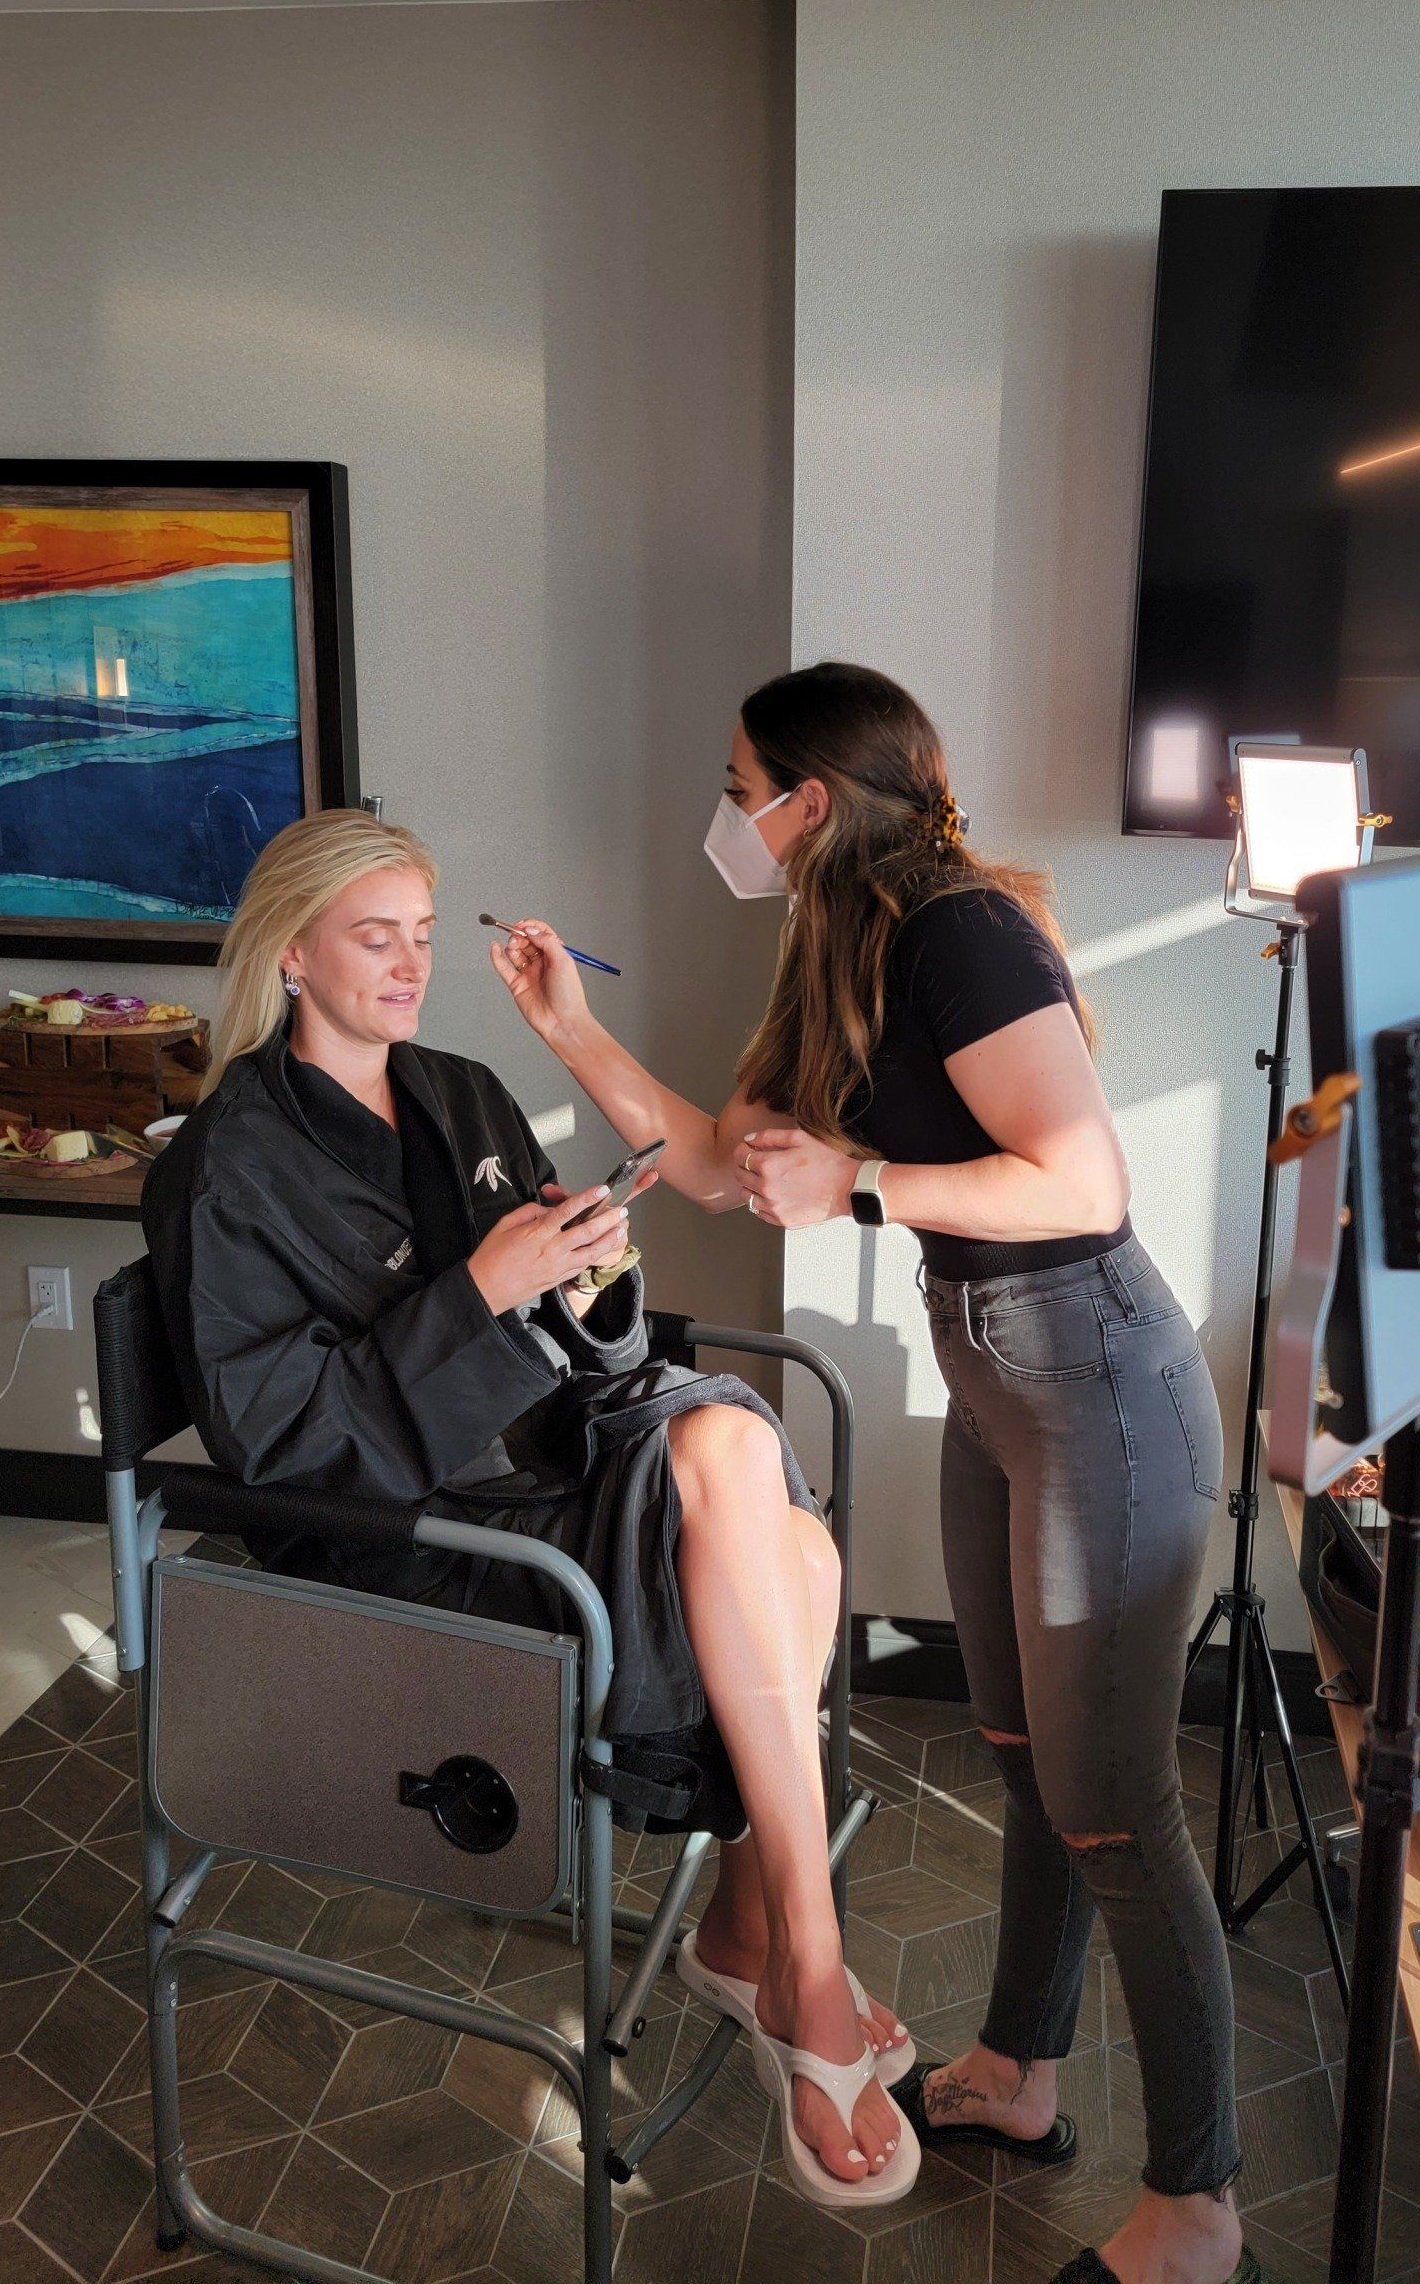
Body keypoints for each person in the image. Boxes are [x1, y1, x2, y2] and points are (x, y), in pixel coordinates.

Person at [492, 663, 1267, 2284]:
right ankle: (1019, 2073)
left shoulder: (961, 932)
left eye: (739, 788)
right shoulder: (835, 937)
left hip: (1098, 1385)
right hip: (999, 1383)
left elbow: (1082, 1182)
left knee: (1117, 1804)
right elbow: (726, 1164)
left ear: (812, 800)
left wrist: (863, 1186)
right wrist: (569, 1027)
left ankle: (1197, 2207)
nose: (728, 817)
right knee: (1027, 1761)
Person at [141, 808, 916, 2208]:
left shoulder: (459, 1091)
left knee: (749, 1482)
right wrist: (485, 1293)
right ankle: (786, 1948)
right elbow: (281, 1448)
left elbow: (585, 1346)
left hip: (551, 1457)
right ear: (292, 954)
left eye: (425, 936)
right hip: (410, 1531)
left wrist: (591, 1279)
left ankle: (776, 1942)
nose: (411, 965)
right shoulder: (225, 1165)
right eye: (376, 938)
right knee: (774, 1533)